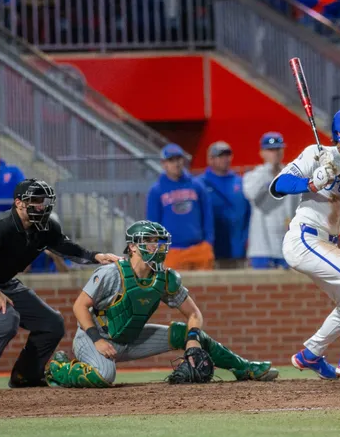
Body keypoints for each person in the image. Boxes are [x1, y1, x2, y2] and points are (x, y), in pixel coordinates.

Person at [44, 220, 278, 388]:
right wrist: (97, 340)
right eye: (150, 241)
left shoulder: (165, 278)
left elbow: (193, 313)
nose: (157, 247)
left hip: (132, 338)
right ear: (133, 246)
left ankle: (244, 367)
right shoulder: (111, 273)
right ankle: (59, 368)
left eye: (159, 242)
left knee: (187, 334)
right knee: (105, 376)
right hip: (95, 337)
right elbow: (79, 307)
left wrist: (193, 341)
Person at [0, 178, 121, 392]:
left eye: (43, 200)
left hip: (4, 282)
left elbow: (67, 248)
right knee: (6, 319)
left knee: (51, 323)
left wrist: (97, 256)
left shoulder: (46, 228)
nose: (41, 205)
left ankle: (25, 375)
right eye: (35, 200)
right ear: (18, 203)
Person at [269, 107, 340, 379]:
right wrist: (312, 182)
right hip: (304, 237)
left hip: (327, 243)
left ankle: (310, 354)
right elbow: (278, 185)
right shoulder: (316, 153)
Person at [147, 143, 214, 271]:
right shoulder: (156, 190)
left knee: (204, 289)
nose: (176, 163)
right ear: (164, 164)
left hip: (199, 249)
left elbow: (207, 215)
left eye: (178, 159)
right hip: (172, 252)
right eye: (171, 160)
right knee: (174, 290)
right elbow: (152, 224)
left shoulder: (197, 185)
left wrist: (208, 242)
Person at [243, 132, 296, 269]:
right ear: (262, 153)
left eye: (278, 149)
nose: (275, 153)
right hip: (261, 247)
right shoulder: (253, 175)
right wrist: (269, 170)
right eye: (271, 150)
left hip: (285, 246)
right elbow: (250, 192)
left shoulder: (290, 175)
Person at [199, 141, 250, 264]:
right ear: (210, 159)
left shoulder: (240, 182)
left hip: (238, 249)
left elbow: (248, 213)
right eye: (220, 156)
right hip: (212, 249)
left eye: (227, 155)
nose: (225, 159)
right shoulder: (200, 184)